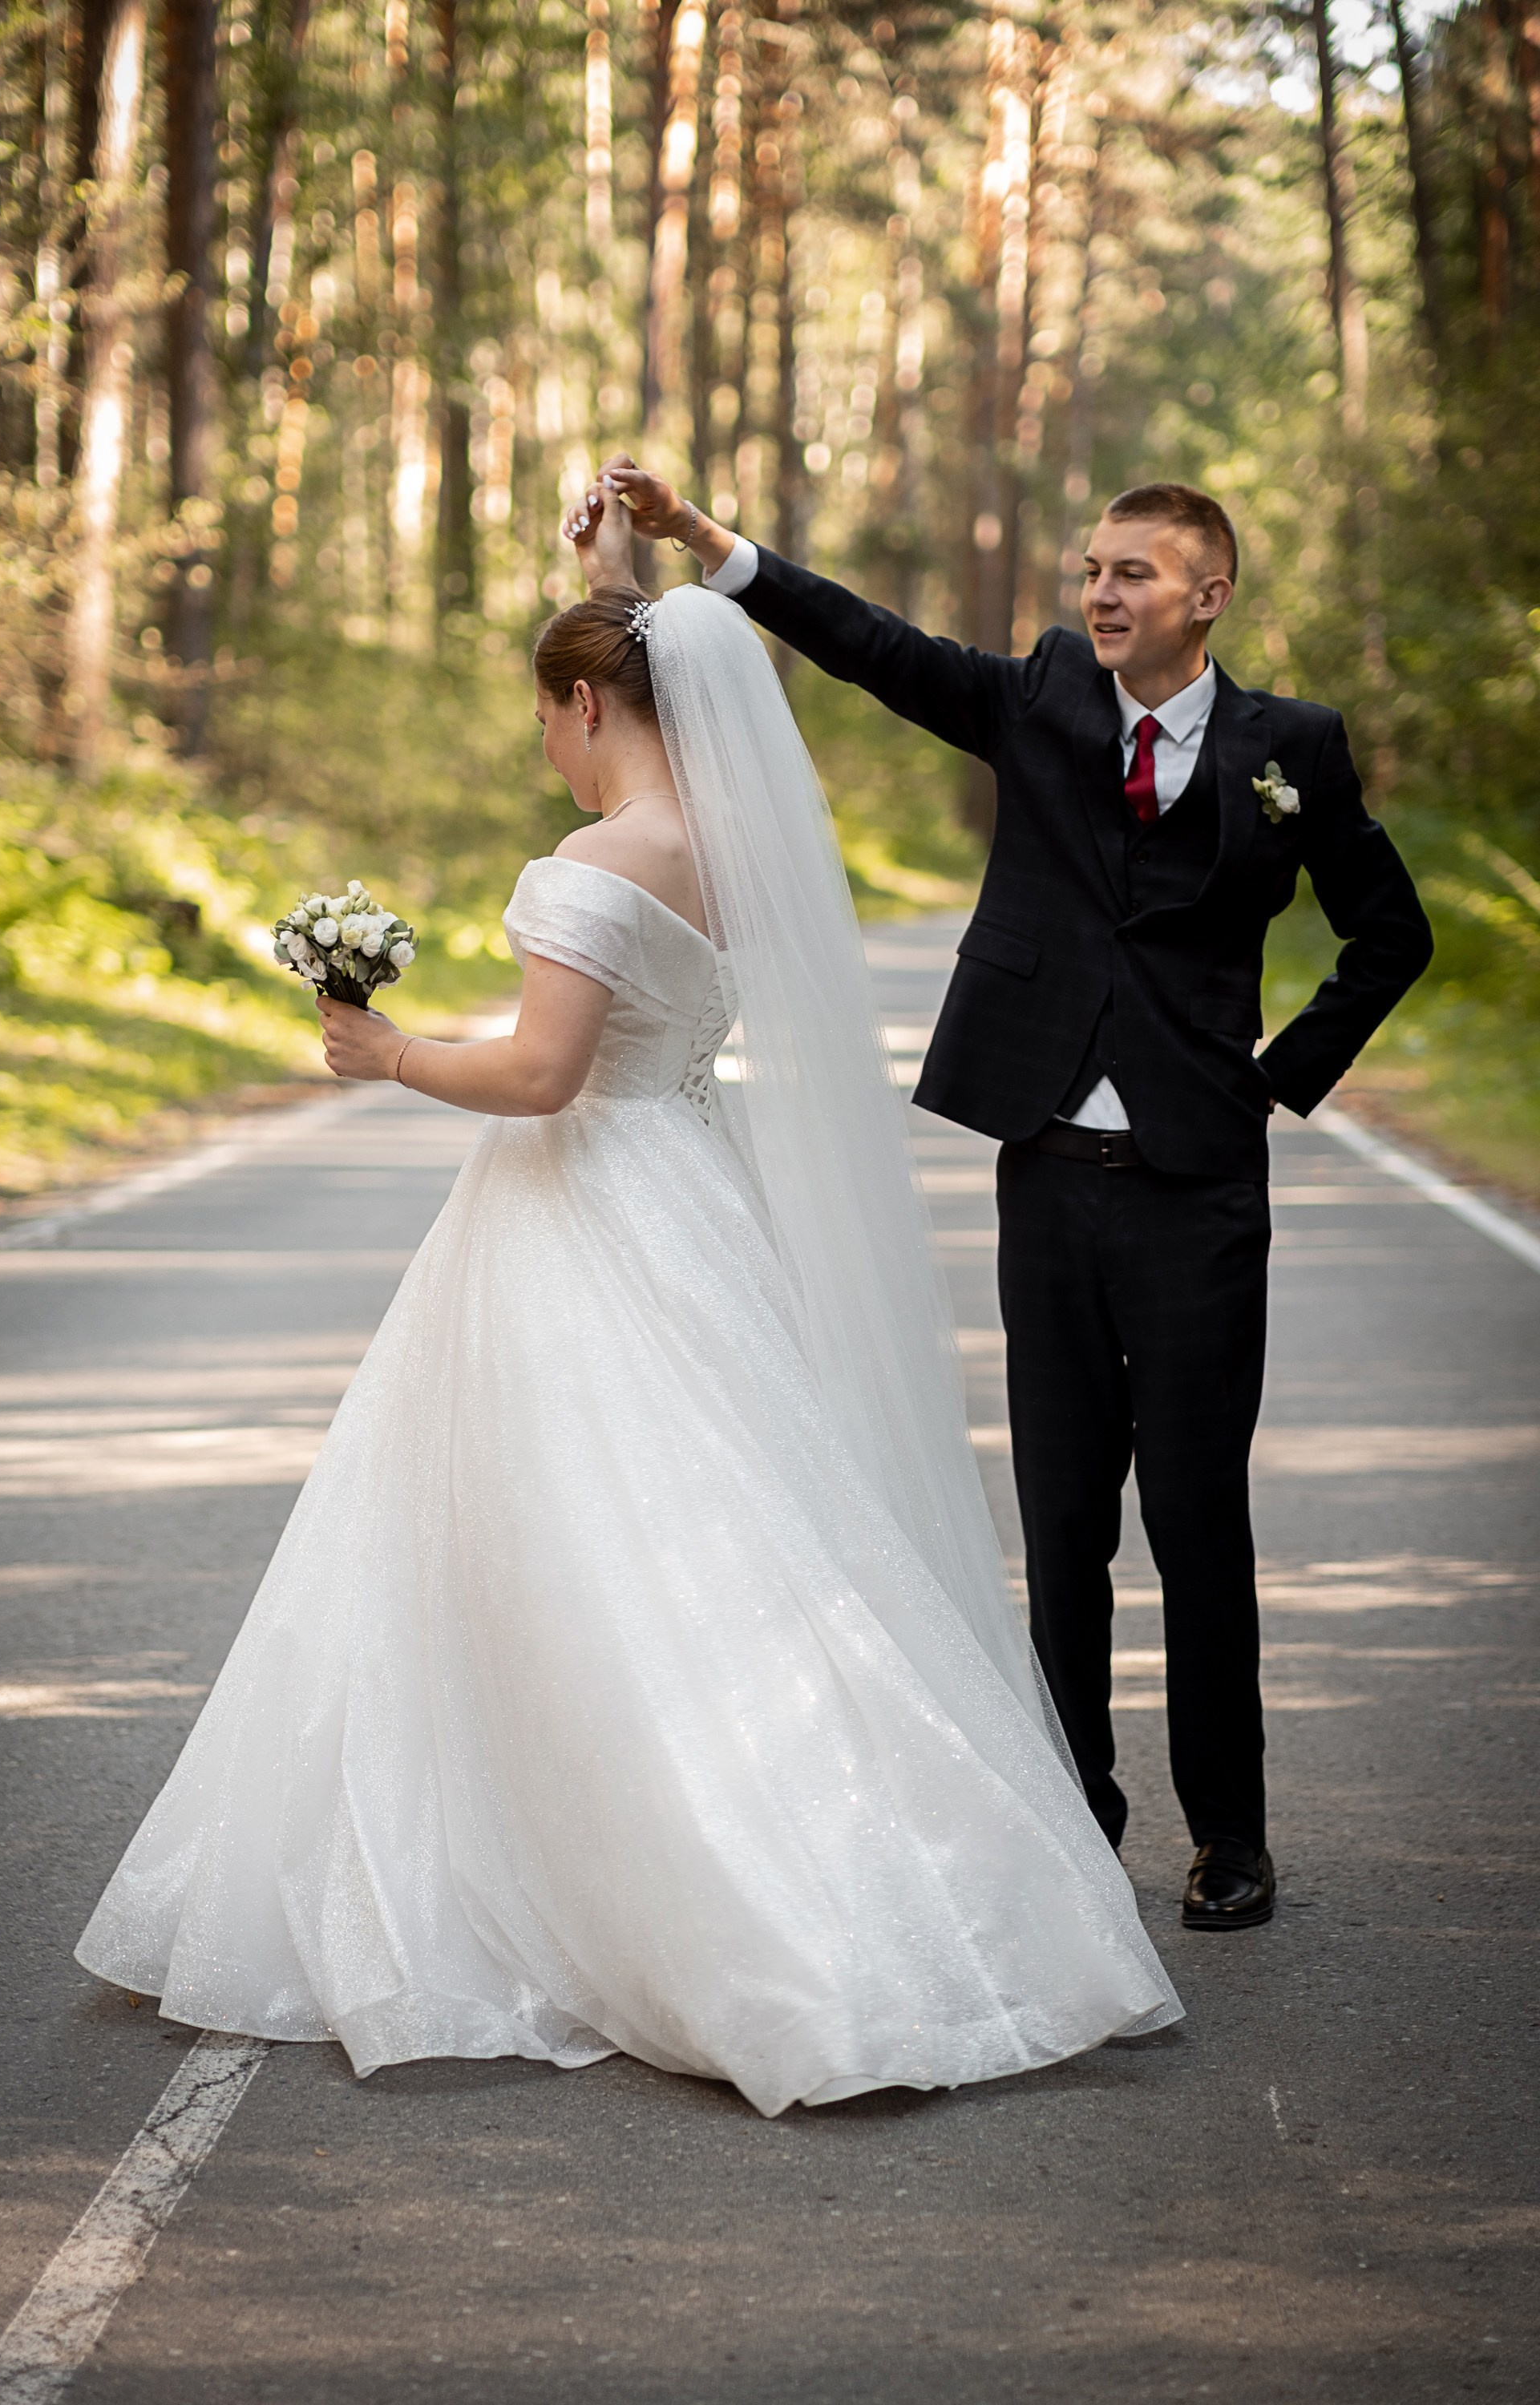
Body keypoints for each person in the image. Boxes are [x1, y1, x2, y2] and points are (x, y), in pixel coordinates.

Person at [75, 532, 1181, 2116]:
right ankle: (882, 1861)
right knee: (737, 1539)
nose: (540, 739)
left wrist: (386, 1056)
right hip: (692, 1199)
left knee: (556, 1541)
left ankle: (619, 1883)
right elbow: (613, 1043)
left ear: (591, 700)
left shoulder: (587, 869)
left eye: (547, 707)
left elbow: (538, 1076)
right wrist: (612, 563)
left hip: (576, 1210)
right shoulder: (729, 852)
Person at [572, 461, 1434, 1931]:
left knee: (1199, 1521)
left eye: (1134, 575)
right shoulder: (1040, 697)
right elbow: (879, 648)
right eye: (1092, 570)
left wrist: (1275, 1079)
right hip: (1045, 1170)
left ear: (1208, 597)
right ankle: (1072, 1813)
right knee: (1061, 1520)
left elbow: (1389, 933)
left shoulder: (1295, 748)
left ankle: (1231, 1838)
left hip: (1199, 1190)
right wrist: (711, 550)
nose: (1100, 593)